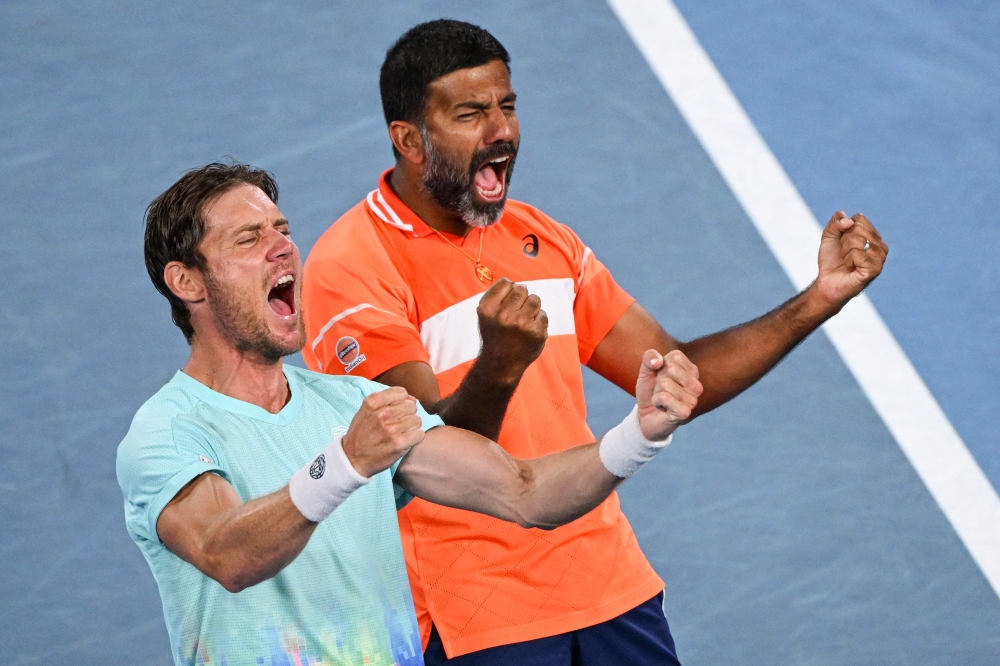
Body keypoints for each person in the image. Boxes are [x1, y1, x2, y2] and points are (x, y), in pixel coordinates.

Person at [300, 19, 888, 665]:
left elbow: (679, 375)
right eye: (471, 113)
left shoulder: (542, 237)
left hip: (612, 590)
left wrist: (819, 297)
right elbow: (416, 457)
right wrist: (499, 365)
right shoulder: (352, 267)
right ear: (409, 139)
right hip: (476, 619)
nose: (501, 131)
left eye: (508, 106)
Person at [116, 162, 703, 666]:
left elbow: (525, 491)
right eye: (248, 239)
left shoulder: (351, 403)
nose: (282, 247)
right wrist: (344, 465)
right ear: (186, 281)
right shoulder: (169, 431)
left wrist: (638, 435)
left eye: (282, 228)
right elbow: (227, 554)